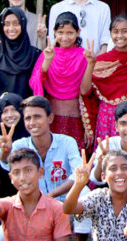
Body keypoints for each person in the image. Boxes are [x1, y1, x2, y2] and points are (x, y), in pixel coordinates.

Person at [0, 96, 83, 202]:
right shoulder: (20, 145)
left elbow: (78, 175)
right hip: (36, 206)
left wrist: (49, 197)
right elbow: (5, 162)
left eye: (37, 117)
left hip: (68, 203)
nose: (32, 123)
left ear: (50, 118)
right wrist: (5, 151)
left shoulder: (67, 142)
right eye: (28, 118)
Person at [30, 12, 88, 150]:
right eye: (60, 32)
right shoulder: (48, 53)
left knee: (73, 154)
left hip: (76, 117)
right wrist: (48, 60)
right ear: (54, 32)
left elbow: (87, 89)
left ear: (78, 32)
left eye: (70, 33)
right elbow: (36, 81)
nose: (65, 37)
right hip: (52, 116)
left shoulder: (84, 55)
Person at [81, 15, 127, 143]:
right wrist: (90, 64)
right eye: (115, 31)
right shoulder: (100, 60)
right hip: (106, 116)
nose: (120, 36)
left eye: (124, 31)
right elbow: (84, 91)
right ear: (110, 33)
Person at [0, 92, 28, 199]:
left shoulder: (31, 137)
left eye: (14, 110)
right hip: (2, 198)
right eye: (5, 111)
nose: (9, 115)